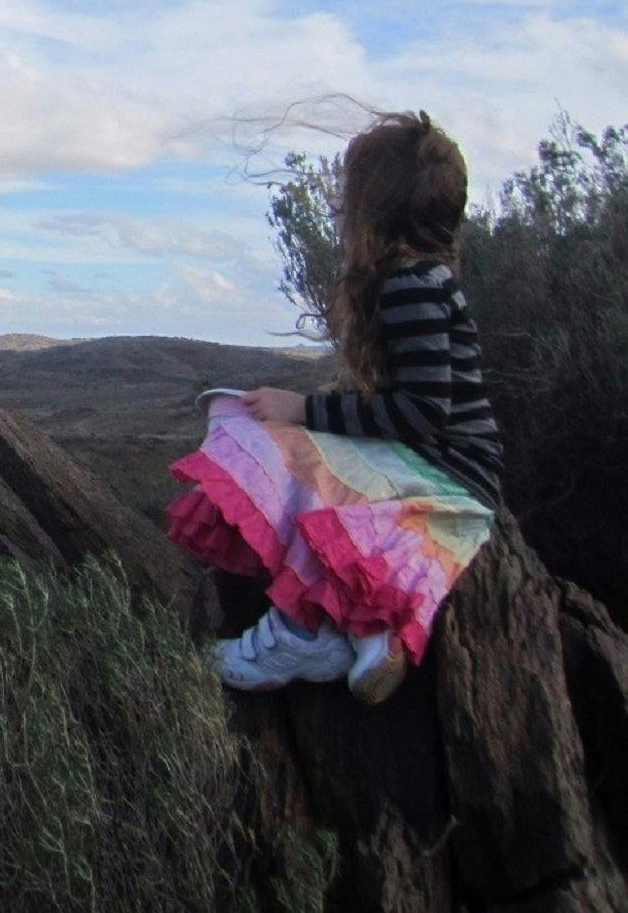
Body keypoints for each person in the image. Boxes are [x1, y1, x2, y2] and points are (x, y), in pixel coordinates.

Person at [165, 109, 502, 703]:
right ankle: (357, 628)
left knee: (259, 434)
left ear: (374, 209)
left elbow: (424, 414)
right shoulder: (423, 279)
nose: (339, 207)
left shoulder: (409, 285)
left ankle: (303, 627)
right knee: (300, 452)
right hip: (447, 470)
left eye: (349, 195)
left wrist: (303, 410)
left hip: (446, 476)